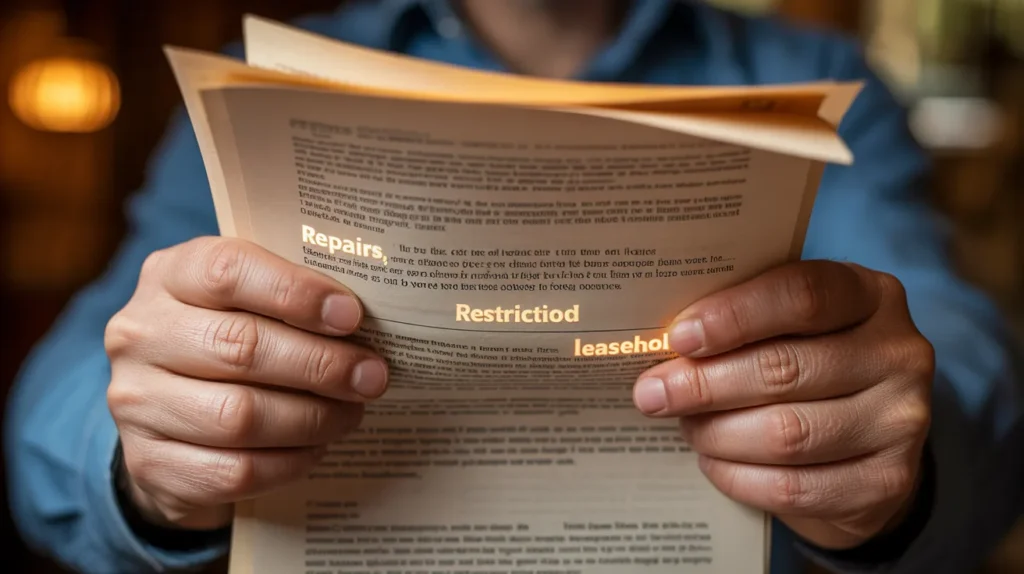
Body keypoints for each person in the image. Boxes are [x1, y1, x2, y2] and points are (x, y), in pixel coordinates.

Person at [5, 0, 1024, 572]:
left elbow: (957, 346)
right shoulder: (258, 83)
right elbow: (69, 394)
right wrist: (148, 461)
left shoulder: (822, 86)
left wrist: (898, 444)